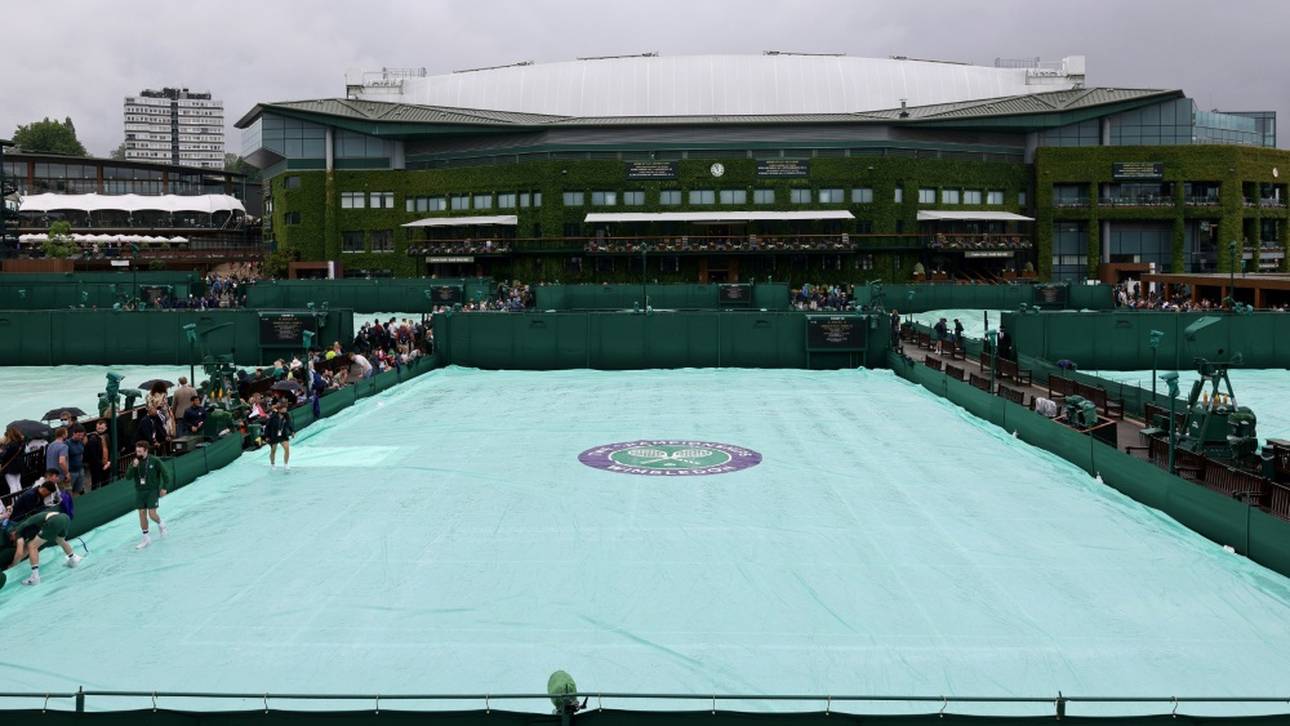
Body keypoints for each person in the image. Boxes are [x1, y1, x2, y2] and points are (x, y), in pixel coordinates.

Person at [8, 509, 82, 585]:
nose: (13, 542)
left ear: (12, 534)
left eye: (11, 539)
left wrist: (12, 565)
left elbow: (19, 553)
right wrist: (18, 561)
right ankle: (73, 561)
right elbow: (25, 551)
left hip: (54, 520)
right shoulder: (28, 527)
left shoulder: (18, 532)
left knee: (32, 545)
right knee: (60, 540)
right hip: (64, 518)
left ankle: (35, 577)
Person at [125, 441, 170, 550]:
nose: (138, 454)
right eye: (137, 451)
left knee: (152, 514)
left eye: (140, 451)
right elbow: (128, 477)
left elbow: (165, 474)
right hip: (140, 491)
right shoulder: (134, 462)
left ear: (146, 451)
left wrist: (164, 488)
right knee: (141, 513)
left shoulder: (155, 461)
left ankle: (161, 524)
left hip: (152, 491)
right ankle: (146, 538)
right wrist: (133, 467)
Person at [264, 401, 295, 470]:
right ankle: (272, 464)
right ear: (279, 409)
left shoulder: (287, 415)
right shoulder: (273, 417)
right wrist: (267, 436)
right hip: (274, 435)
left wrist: (292, 431)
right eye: (284, 408)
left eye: (286, 408)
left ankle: (286, 464)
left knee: (287, 449)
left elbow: (289, 424)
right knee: (273, 451)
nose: (285, 409)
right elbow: (267, 427)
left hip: (283, 435)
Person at [84, 420, 111, 491]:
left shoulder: (107, 436)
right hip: (96, 466)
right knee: (95, 484)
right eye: (99, 428)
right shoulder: (93, 439)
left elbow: (109, 449)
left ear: (106, 428)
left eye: (102, 428)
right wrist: (102, 464)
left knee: (105, 483)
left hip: (106, 463)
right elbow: (93, 455)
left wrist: (108, 462)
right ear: (96, 428)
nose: (100, 430)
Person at [0, 426, 25, 495]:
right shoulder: (21, 443)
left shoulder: (11, 445)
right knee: (18, 483)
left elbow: (4, 456)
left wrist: (1, 451)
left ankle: (15, 500)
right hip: (19, 466)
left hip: (10, 468)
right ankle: (20, 498)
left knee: (12, 485)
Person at [66, 426, 86, 495]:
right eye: (79, 435)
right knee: (69, 491)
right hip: (71, 471)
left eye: (82, 435)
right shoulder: (67, 443)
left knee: (79, 489)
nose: (80, 437)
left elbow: (81, 454)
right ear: (74, 433)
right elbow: (64, 458)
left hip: (80, 469)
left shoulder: (80, 442)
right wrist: (67, 472)